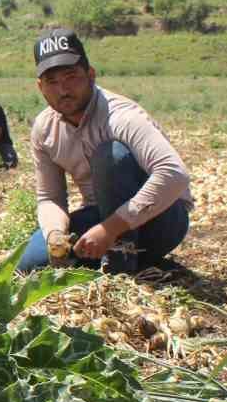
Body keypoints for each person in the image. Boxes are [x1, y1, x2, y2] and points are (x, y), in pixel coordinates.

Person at [16, 27, 192, 276]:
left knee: (111, 155)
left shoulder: (121, 116)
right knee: (29, 266)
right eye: (52, 82)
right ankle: (127, 258)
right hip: (101, 215)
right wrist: (56, 234)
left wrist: (109, 230)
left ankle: (121, 267)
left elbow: (174, 174)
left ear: (91, 75)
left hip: (162, 218)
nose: (62, 89)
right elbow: (50, 197)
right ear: (40, 87)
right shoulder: (45, 129)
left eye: (71, 77)